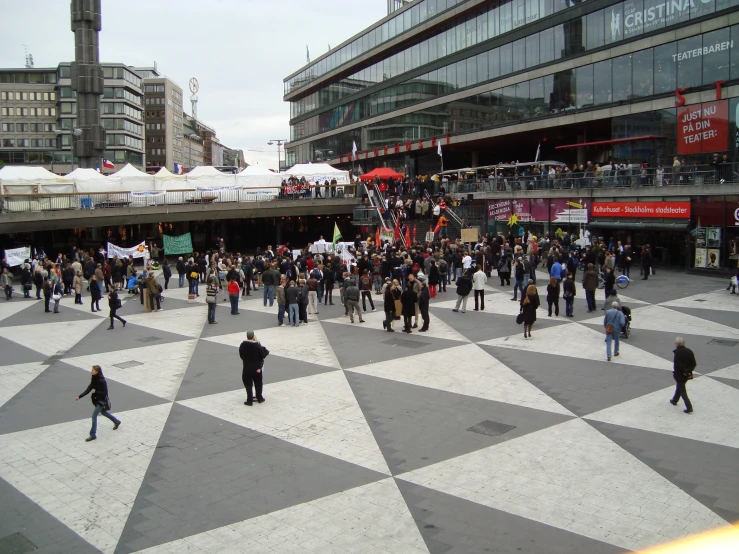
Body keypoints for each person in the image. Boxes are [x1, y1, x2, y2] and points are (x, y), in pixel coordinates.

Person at [75, 365, 121, 442]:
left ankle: (93, 434)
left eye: (93, 370)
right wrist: (79, 396)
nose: (91, 371)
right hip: (96, 400)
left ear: (97, 371)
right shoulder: (94, 379)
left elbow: (105, 393)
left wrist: (96, 391)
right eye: (92, 370)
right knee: (103, 412)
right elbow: (89, 388)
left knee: (94, 416)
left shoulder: (102, 381)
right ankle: (117, 421)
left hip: (101, 401)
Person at [239, 331, 269, 406]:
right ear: (253, 336)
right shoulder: (257, 346)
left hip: (247, 368)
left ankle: (249, 400)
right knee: (258, 382)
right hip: (257, 368)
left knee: (248, 384)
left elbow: (241, 356)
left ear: (247, 336)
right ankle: (259, 397)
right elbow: (263, 355)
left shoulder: (242, 345)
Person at [671, 337, 695, 413]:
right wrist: (689, 370)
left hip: (679, 374)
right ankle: (674, 400)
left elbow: (677, 364)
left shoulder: (677, 352)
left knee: (682, 391)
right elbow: (693, 363)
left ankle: (689, 407)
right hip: (687, 375)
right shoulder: (689, 351)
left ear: (677, 344)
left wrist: (683, 370)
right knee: (679, 386)